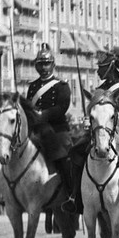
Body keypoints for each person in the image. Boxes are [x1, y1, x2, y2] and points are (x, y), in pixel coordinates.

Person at [68, 46, 119, 218]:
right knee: (75, 152)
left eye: (101, 67)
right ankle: (75, 196)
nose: (98, 71)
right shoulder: (98, 91)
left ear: (111, 67)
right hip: (98, 133)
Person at [25, 43, 76, 216]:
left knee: (63, 158)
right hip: (36, 131)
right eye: (41, 64)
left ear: (53, 65)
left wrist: (43, 114)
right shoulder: (32, 87)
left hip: (56, 130)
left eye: (47, 64)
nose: (44, 68)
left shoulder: (61, 86)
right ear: (37, 66)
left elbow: (62, 107)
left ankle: (71, 196)